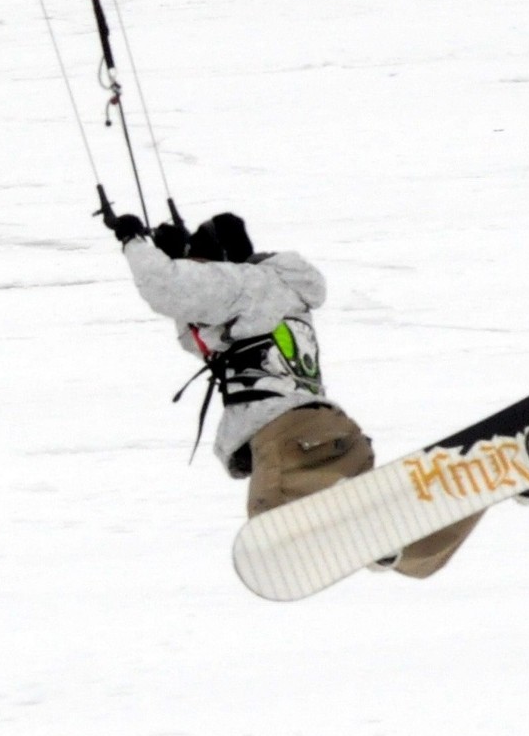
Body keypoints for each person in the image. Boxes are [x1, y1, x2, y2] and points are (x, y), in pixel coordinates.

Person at [105, 209, 487, 580]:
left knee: (274, 521)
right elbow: (196, 337)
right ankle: (470, 490)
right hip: (328, 429)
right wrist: (180, 256)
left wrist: (134, 241)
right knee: (414, 560)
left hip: (286, 432)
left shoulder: (241, 284)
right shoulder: (272, 292)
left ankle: (361, 524)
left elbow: (165, 287)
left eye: (198, 264)